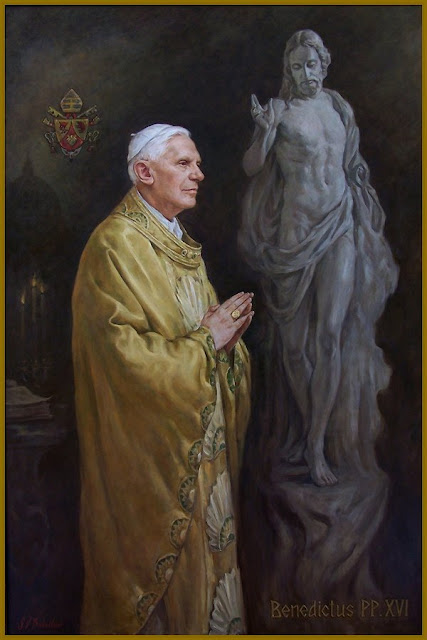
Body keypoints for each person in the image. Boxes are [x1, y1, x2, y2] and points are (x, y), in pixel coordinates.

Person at [72, 124, 253, 634]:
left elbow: (208, 342)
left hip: (201, 456)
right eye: (184, 163)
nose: (199, 174)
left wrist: (228, 347)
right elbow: (120, 363)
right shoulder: (114, 245)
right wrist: (207, 343)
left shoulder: (179, 245)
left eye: (197, 164)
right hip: (152, 466)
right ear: (144, 172)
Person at [238, 30, 398, 486]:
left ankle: (315, 443)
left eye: (311, 65)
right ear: (288, 72)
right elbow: (252, 166)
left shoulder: (339, 107)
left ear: (324, 64)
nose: (305, 74)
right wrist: (264, 133)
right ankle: (314, 424)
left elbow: (348, 161)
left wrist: (357, 172)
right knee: (293, 347)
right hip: (295, 236)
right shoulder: (280, 111)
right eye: (296, 67)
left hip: (339, 226)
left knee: (329, 336)